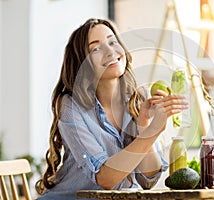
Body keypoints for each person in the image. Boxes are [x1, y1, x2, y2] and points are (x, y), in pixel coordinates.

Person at [35, 18, 188, 199]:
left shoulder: (138, 100)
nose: (110, 51)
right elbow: (105, 179)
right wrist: (153, 132)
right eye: (96, 48)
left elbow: (148, 179)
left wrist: (145, 127)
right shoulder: (71, 107)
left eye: (112, 41)